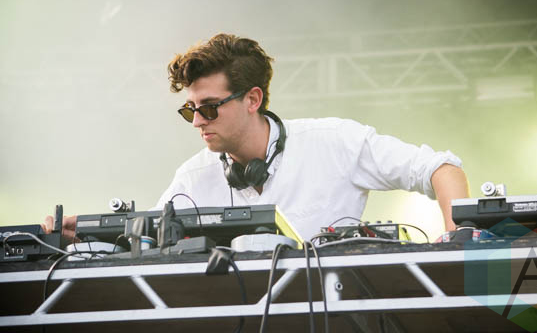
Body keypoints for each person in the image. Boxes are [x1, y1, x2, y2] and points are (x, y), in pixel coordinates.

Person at [44, 33, 469, 241]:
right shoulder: (192, 178)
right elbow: (146, 237)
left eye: (209, 108)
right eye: (190, 109)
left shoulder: (334, 141)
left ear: (253, 99)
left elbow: (441, 169)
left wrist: (458, 244)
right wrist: (81, 236)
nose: (197, 122)